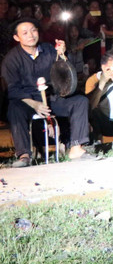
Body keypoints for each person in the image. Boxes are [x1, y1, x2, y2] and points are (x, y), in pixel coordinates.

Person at [1, 18, 92, 166]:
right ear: (17, 38)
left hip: (51, 98)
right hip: (27, 101)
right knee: (14, 109)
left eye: (33, 30)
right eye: (25, 33)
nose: (31, 35)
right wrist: (34, 104)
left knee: (80, 101)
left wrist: (62, 54)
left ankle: (76, 147)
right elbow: (12, 90)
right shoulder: (12, 59)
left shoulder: (48, 49)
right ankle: (24, 155)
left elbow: (63, 75)